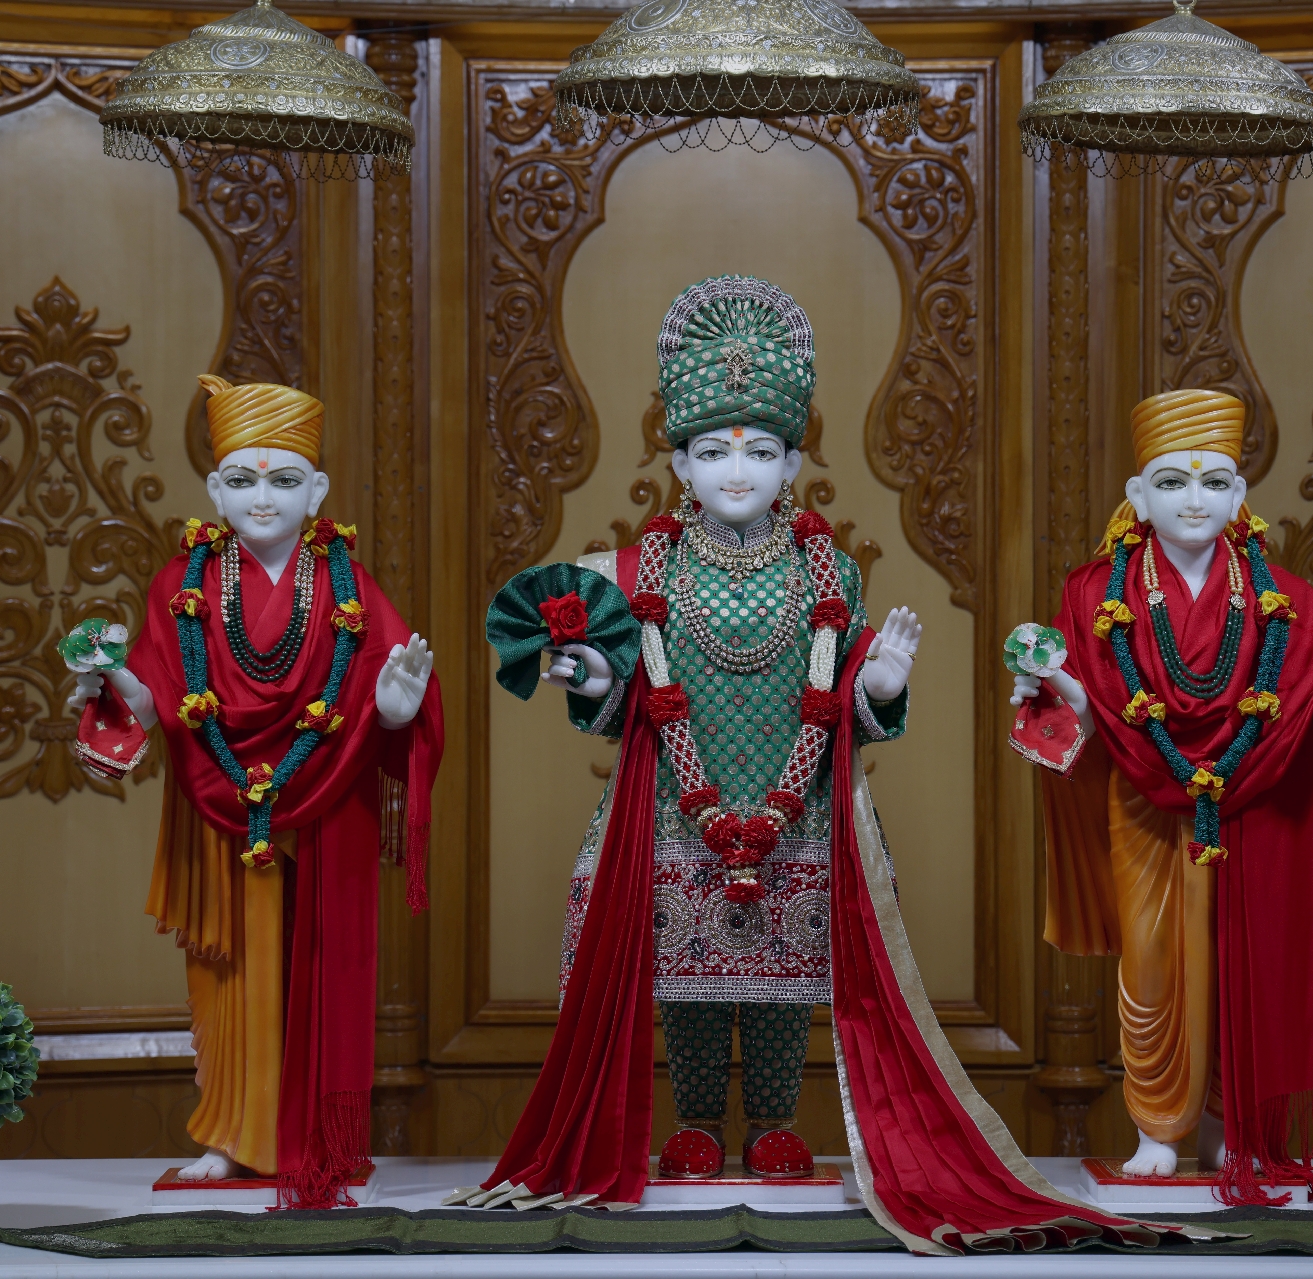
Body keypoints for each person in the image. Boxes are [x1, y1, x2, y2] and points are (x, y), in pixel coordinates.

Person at [466, 277, 1194, 1256]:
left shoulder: (827, 571)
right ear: (678, 461)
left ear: (795, 462)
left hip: (798, 801)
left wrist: (878, 680)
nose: (738, 470)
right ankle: (691, 1122)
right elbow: (620, 695)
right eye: (715, 451)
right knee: (686, 974)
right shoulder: (640, 572)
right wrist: (591, 667)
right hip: (676, 810)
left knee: (778, 970)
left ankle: (770, 1122)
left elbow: (843, 688)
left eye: (760, 451)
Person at [69, 375, 443, 1208]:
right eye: (242, 479)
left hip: (325, 801)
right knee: (229, 971)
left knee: (315, 960)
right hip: (220, 803)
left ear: (318, 491)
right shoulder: (181, 584)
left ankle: (310, 1136)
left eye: (283, 480)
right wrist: (121, 687)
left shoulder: (349, 587)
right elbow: (166, 696)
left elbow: (391, 688)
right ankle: (233, 1137)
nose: (262, 498)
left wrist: (392, 713)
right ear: (212, 490)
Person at [1010, 388, 1313, 1205]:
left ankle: (1230, 1123)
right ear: (1137, 496)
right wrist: (1058, 691)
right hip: (1143, 806)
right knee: (1152, 962)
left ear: (1241, 495)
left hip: (1258, 810)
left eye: (1214, 482)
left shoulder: (1289, 600)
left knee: (1242, 957)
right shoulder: (1091, 596)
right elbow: (1087, 717)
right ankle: (1157, 1127)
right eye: (1172, 482)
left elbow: (1299, 712)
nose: (1194, 499)